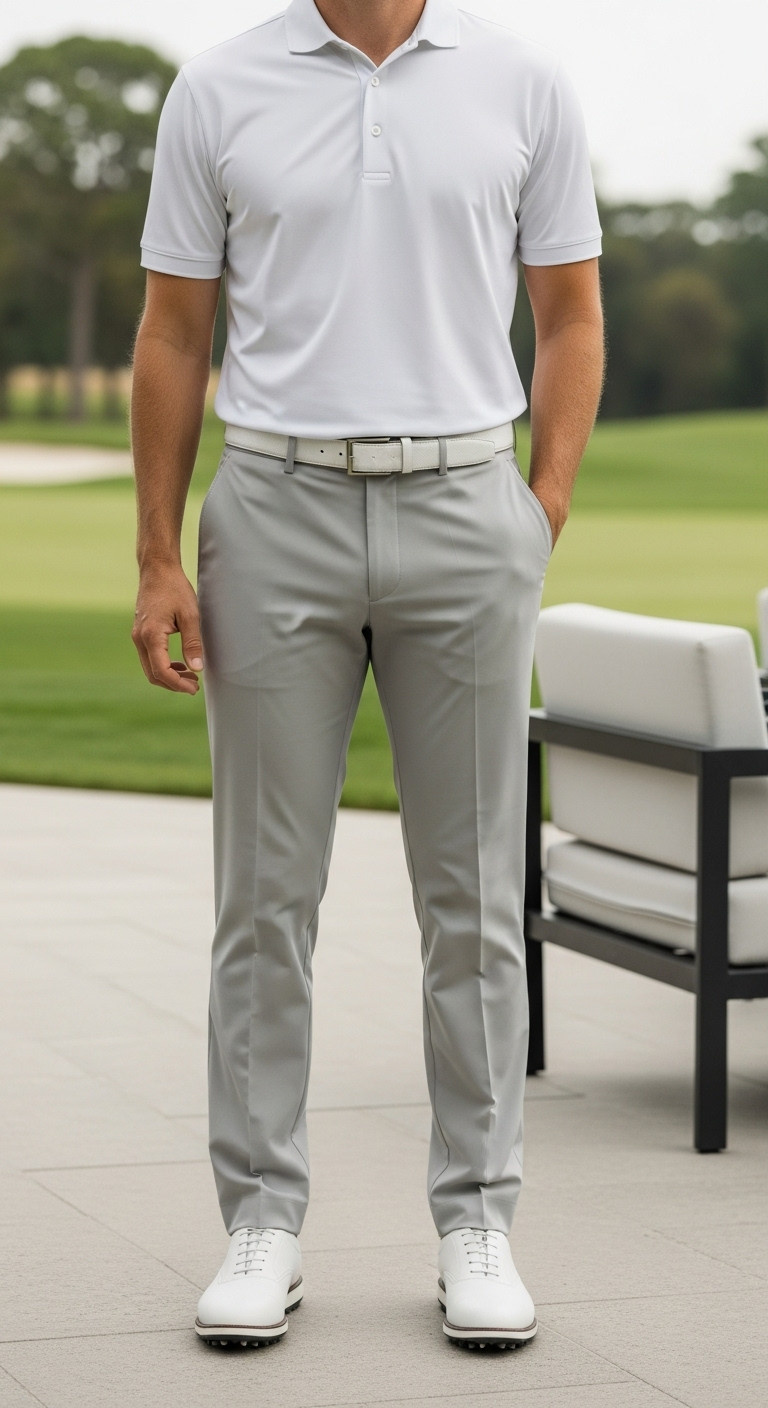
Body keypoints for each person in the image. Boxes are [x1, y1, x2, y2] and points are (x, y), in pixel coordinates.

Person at [130, 0, 604, 1353]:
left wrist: (538, 507)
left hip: (467, 507)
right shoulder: (219, 88)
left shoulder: (523, 81)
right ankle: (262, 1224)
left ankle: (478, 1220)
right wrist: (159, 555)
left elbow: (570, 315)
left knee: (473, 899)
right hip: (273, 512)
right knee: (264, 899)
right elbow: (173, 332)